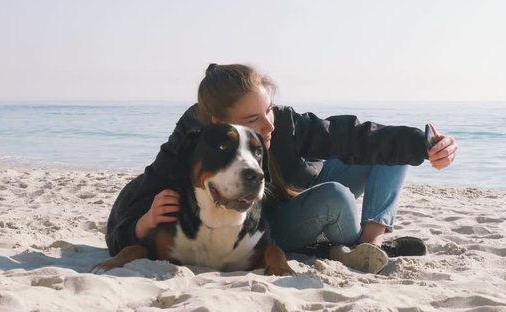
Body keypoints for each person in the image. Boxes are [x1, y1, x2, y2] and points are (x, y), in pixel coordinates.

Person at [105, 63, 458, 274]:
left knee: (389, 154)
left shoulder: (285, 123)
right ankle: (344, 245)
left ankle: (371, 242)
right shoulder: (195, 140)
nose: (269, 124)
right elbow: (142, 196)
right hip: (276, 217)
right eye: (253, 119)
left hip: (302, 185)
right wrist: (142, 223)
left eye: (269, 109)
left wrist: (426, 146)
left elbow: (352, 137)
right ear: (217, 121)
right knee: (336, 196)